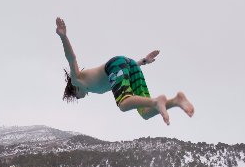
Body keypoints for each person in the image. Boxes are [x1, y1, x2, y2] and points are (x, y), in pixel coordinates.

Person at [55, 17, 194, 125]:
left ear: (74, 90)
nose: (81, 98)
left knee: (123, 104)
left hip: (115, 65)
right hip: (128, 65)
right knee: (145, 113)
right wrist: (142, 62)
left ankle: (156, 101)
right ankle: (176, 101)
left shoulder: (76, 80)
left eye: (77, 97)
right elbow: (122, 76)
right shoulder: (95, 87)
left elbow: (71, 58)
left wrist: (63, 36)